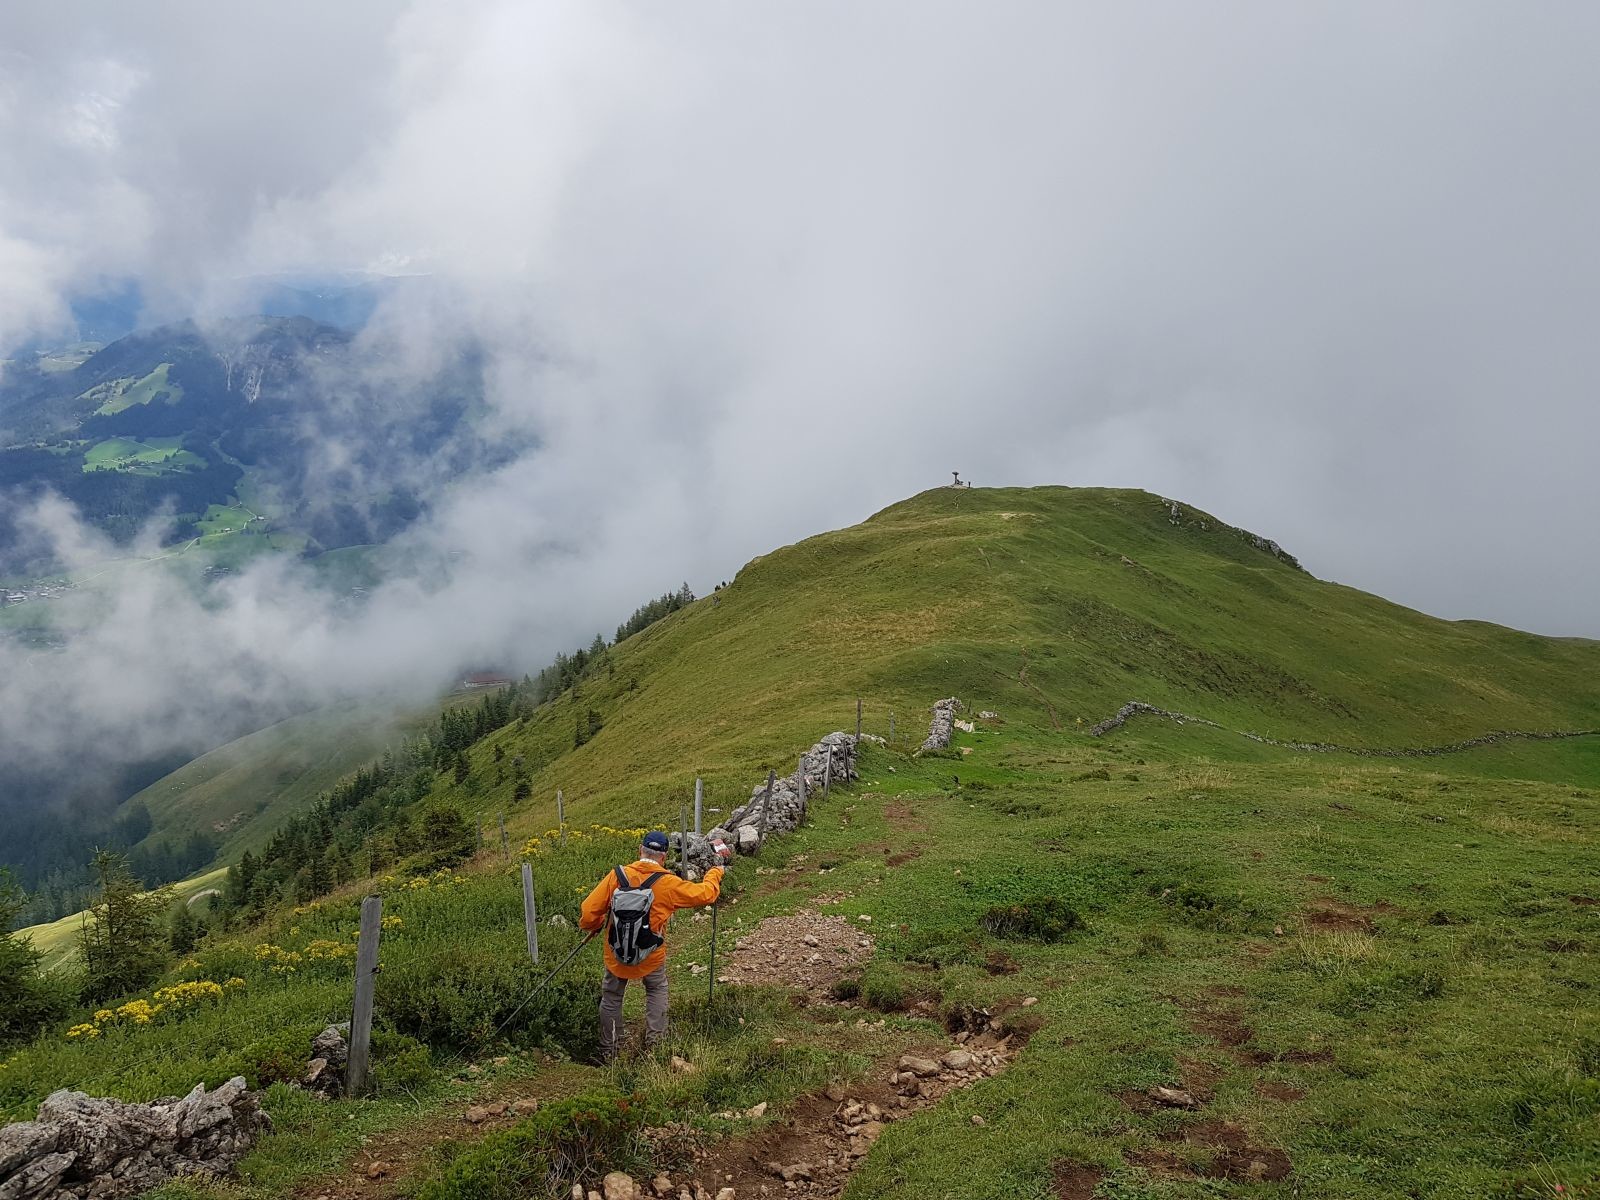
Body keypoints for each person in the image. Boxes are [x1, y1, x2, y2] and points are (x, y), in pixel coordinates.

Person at [579, 830, 726, 1061]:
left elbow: (588, 911)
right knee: (656, 990)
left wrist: (596, 925)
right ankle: (655, 1048)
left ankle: (610, 1051)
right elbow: (705, 894)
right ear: (664, 857)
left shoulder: (617, 875)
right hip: (650, 955)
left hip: (616, 953)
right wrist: (715, 873)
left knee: (612, 996)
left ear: (640, 850)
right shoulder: (667, 883)